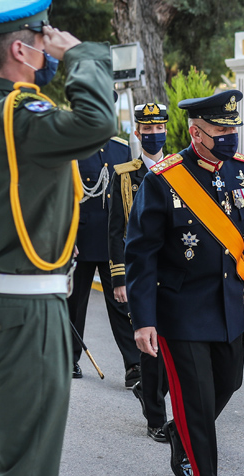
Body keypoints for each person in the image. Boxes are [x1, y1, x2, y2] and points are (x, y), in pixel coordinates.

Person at [0, 0, 116, 476]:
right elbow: (98, 123)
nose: (52, 45)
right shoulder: (19, 113)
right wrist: (82, 56)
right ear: (21, 50)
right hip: (25, 309)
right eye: (44, 38)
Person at [125, 90, 244, 476]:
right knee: (197, 402)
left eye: (231, 128)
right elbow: (141, 255)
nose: (228, 136)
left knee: (229, 382)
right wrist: (144, 320)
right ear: (196, 132)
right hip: (181, 310)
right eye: (219, 129)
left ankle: (179, 432)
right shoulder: (164, 179)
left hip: (230, 306)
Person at [108, 102, 171, 442]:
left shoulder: (179, 170)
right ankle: (156, 418)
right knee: (149, 346)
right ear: (137, 133)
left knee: (174, 344)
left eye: (158, 128)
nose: (153, 134)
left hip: (174, 271)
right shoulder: (124, 175)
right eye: (147, 130)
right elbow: (115, 230)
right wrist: (119, 277)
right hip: (142, 273)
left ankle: (148, 391)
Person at [68, 96, 141, 383]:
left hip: (114, 243)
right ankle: (69, 358)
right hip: (80, 239)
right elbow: (63, 196)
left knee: (122, 303)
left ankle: (134, 365)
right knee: (74, 303)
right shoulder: (71, 149)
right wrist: (65, 236)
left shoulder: (121, 149)